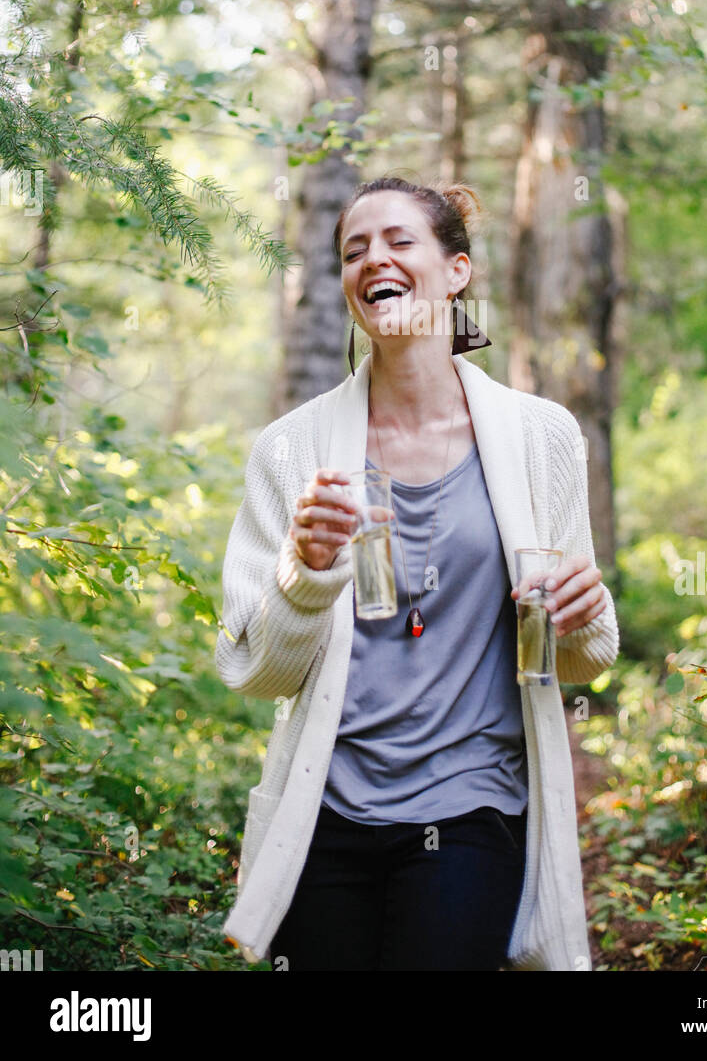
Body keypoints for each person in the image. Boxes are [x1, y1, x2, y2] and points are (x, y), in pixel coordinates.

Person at [216, 175, 619, 971]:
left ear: (456, 270)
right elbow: (254, 670)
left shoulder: (542, 438)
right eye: (354, 250)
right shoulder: (292, 451)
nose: (374, 261)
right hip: (324, 810)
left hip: (473, 803)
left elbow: (579, 655)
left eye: (399, 241)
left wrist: (583, 615)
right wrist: (308, 571)